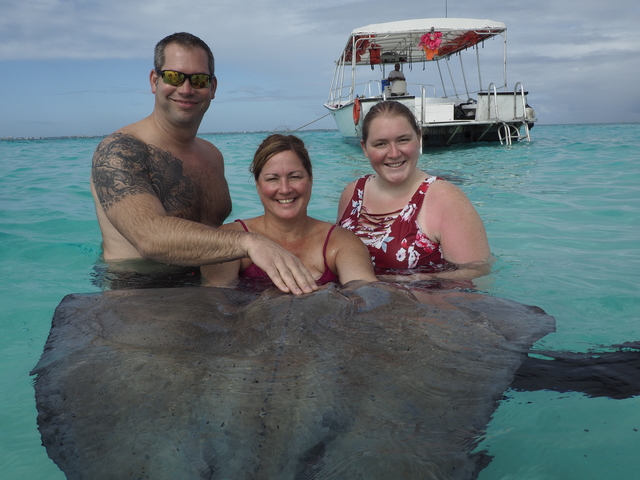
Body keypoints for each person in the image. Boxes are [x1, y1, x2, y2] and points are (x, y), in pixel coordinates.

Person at [90, 32, 316, 295]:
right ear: (155, 80)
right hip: (141, 299)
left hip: (213, 291)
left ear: (213, 87)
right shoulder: (120, 150)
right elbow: (148, 238)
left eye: (198, 80)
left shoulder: (211, 155)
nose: (186, 89)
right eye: (174, 77)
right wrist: (251, 244)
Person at [337, 101, 491, 281]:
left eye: (403, 140)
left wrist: (411, 281)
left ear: (418, 138)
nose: (394, 153)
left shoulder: (445, 198)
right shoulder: (352, 193)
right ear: (364, 148)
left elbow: (477, 272)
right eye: (381, 144)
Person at [201, 134, 378, 288]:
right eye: (272, 179)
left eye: (295, 177)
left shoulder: (341, 243)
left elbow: (367, 298)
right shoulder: (231, 239)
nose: (285, 189)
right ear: (258, 185)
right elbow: (216, 304)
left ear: (310, 179)